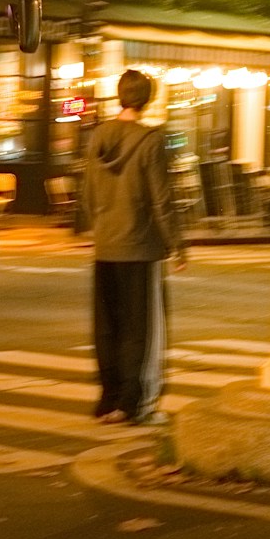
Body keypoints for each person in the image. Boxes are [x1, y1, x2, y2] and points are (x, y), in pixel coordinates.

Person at [80, 69, 186, 426]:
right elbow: (161, 198)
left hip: (106, 246)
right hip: (140, 249)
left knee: (108, 326)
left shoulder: (98, 137)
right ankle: (133, 403)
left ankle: (107, 399)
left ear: (119, 96)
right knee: (141, 329)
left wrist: (99, 227)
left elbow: (89, 193)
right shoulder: (150, 141)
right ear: (148, 99)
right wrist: (177, 244)